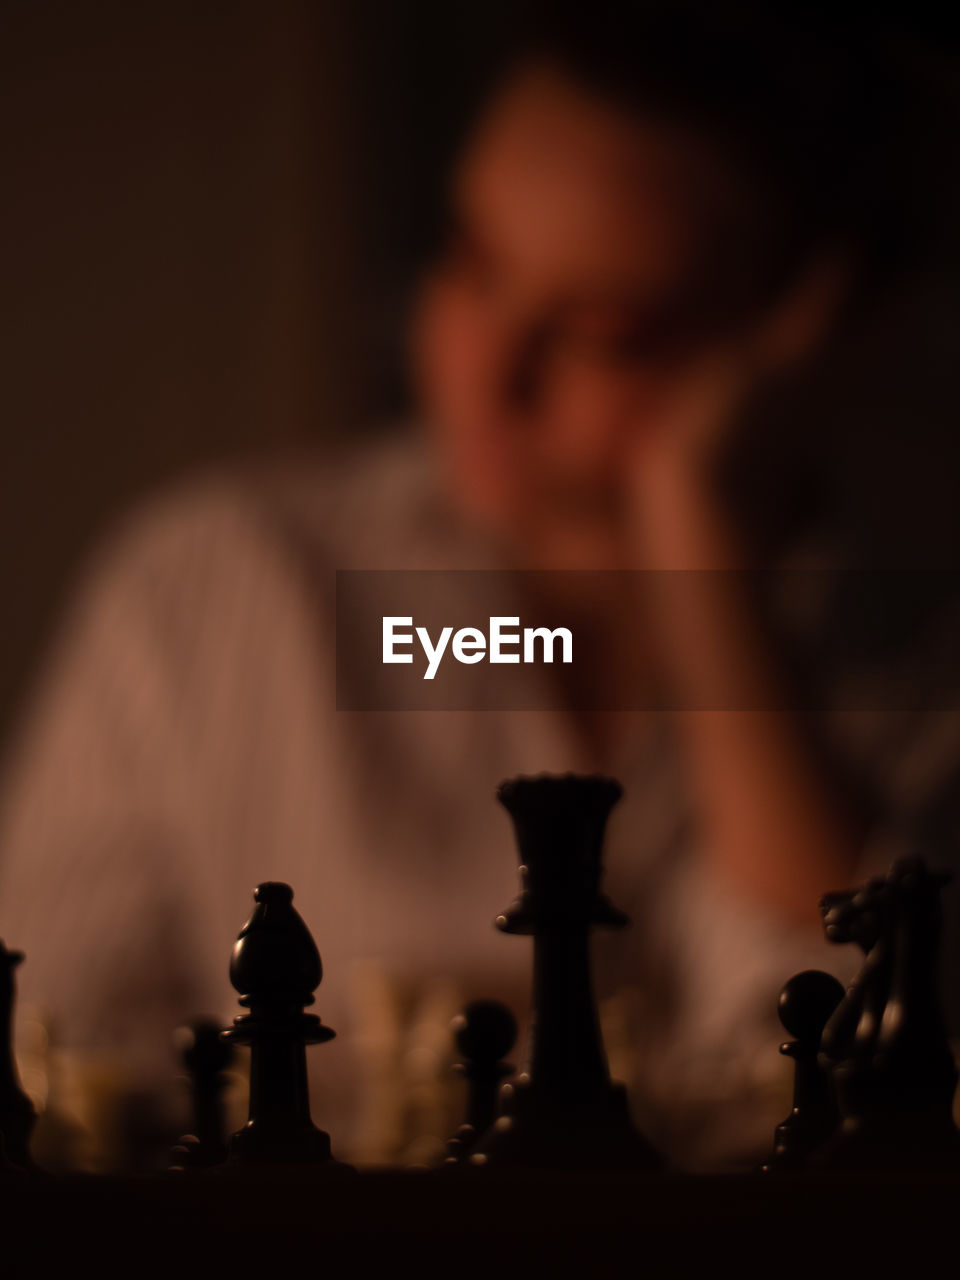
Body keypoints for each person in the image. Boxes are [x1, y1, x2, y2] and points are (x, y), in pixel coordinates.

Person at [0, 5, 953, 1170]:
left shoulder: (912, 660)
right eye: (469, 257)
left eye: (601, 334)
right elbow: (44, 1069)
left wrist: (701, 574)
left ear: (803, 338)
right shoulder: (223, 590)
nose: (480, 366)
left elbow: (851, 1110)